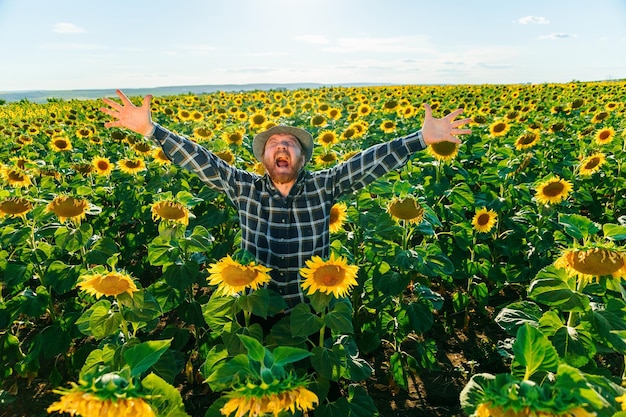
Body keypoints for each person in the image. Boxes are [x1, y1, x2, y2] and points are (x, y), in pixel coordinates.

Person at [101, 89, 471, 309]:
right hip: (254, 304)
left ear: (303, 159)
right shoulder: (243, 186)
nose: (281, 148)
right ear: (263, 160)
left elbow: (366, 164)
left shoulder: (323, 186)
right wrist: (151, 130)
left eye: (290, 145)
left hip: (311, 305)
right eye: (274, 145)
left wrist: (419, 140)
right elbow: (203, 162)